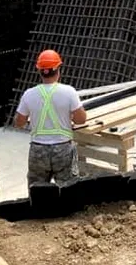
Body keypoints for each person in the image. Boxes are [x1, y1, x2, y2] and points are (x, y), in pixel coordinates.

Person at [14, 49, 86, 187]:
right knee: (68, 189)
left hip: (38, 149)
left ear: (39, 71)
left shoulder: (29, 94)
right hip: (63, 148)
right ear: (58, 70)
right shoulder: (69, 92)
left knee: (38, 191)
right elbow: (81, 120)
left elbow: (19, 122)